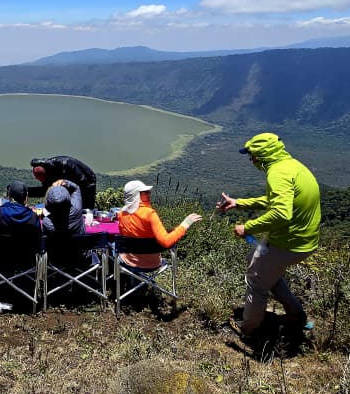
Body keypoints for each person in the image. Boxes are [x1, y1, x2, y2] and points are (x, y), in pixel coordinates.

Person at [216, 132, 321, 337]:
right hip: (303, 241)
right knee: (261, 268)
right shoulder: (292, 166)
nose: (250, 159)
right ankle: (296, 316)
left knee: (256, 282)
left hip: (286, 243)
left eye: (252, 155)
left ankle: (248, 330)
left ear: (262, 155)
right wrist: (239, 203)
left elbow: (281, 213)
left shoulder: (277, 173)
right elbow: (274, 200)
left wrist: (247, 228)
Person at [117, 180, 202, 268]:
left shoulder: (121, 214)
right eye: (145, 192)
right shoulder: (149, 214)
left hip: (128, 262)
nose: (149, 194)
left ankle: (118, 279)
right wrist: (186, 224)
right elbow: (166, 242)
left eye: (148, 192)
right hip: (152, 264)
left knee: (112, 247)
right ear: (136, 196)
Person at [0, 180, 42, 272]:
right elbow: (38, 242)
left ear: (9, 196)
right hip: (25, 261)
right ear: (26, 197)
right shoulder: (33, 217)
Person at [30, 155, 97, 210]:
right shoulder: (48, 171)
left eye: (42, 179)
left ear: (46, 174)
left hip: (87, 180)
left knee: (84, 209)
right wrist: (26, 192)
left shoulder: (66, 164)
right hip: (70, 180)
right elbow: (47, 190)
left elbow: (83, 182)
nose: (42, 182)